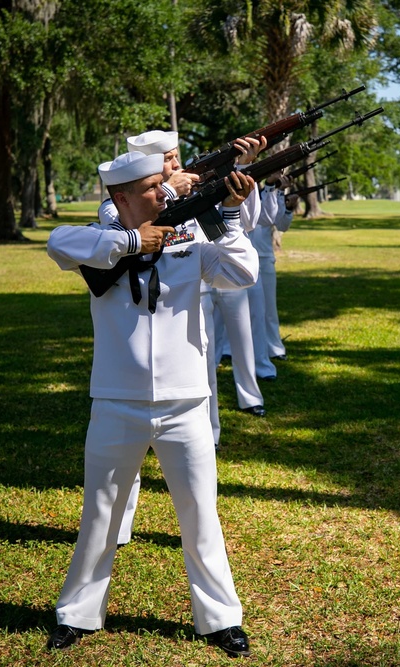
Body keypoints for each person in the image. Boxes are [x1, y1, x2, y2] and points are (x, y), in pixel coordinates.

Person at [45, 150, 258, 658]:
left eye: (163, 183)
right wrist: (133, 241)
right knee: (99, 516)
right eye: (150, 187)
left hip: (187, 403)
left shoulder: (189, 241)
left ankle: (220, 619)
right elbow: (57, 243)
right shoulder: (102, 243)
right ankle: (77, 614)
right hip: (116, 401)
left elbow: (242, 273)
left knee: (200, 514)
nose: (164, 190)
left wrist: (228, 217)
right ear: (119, 198)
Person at [98, 130, 264, 547]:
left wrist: (241, 173)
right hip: (135, 333)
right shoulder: (123, 202)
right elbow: (115, 228)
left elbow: (241, 225)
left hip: (194, 302)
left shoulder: (192, 192)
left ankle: (200, 519)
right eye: (165, 161)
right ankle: (118, 524)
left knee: (199, 409)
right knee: (122, 444)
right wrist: (169, 193)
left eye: (175, 157)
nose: (174, 165)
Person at [247, 174, 296, 377]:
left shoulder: (269, 194)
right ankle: (226, 349)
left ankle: (274, 347)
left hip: (264, 258)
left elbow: (280, 223)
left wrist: (288, 207)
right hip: (239, 262)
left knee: (268, 309)